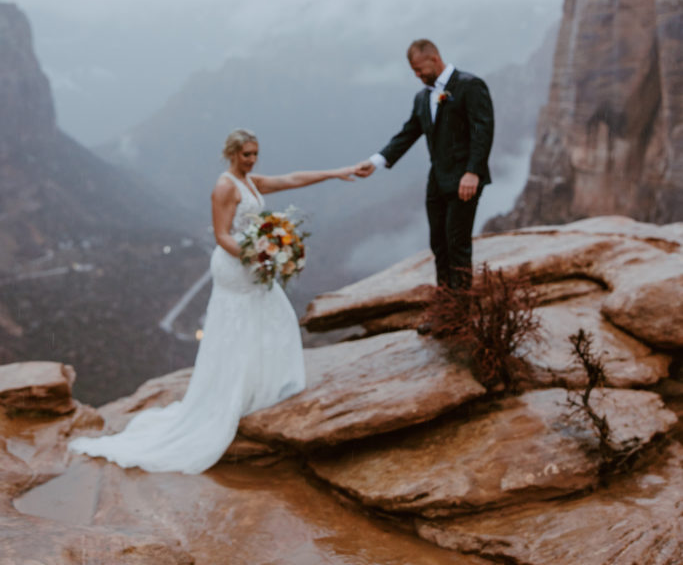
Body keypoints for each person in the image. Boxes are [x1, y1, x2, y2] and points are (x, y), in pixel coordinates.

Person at [69, 129, 356, 474]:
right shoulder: (225, 187)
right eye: (246, 155)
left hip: (253, 263)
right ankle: (232, 396)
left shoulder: (249, 182)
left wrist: (337, 173)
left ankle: (262, 388)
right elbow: (221, 236)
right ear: (232, 154)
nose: (252, 160)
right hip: (236, 267)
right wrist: (256, 255)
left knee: (273, 316)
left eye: (255, 154)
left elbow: (291, 179)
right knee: (242, 326)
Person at [355, 40, 494, 319]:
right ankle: (445, 304)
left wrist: (473, 171)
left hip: (465, 179)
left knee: (457, 243)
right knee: (439, 243)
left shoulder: (469, 85)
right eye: (413, 71)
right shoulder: (422, 98)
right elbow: (408, 133)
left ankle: (460, 312)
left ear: (435, 58)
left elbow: (483, 128)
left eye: (419, 69)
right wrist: (376, 162)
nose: (417, 75)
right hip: (437, 179)